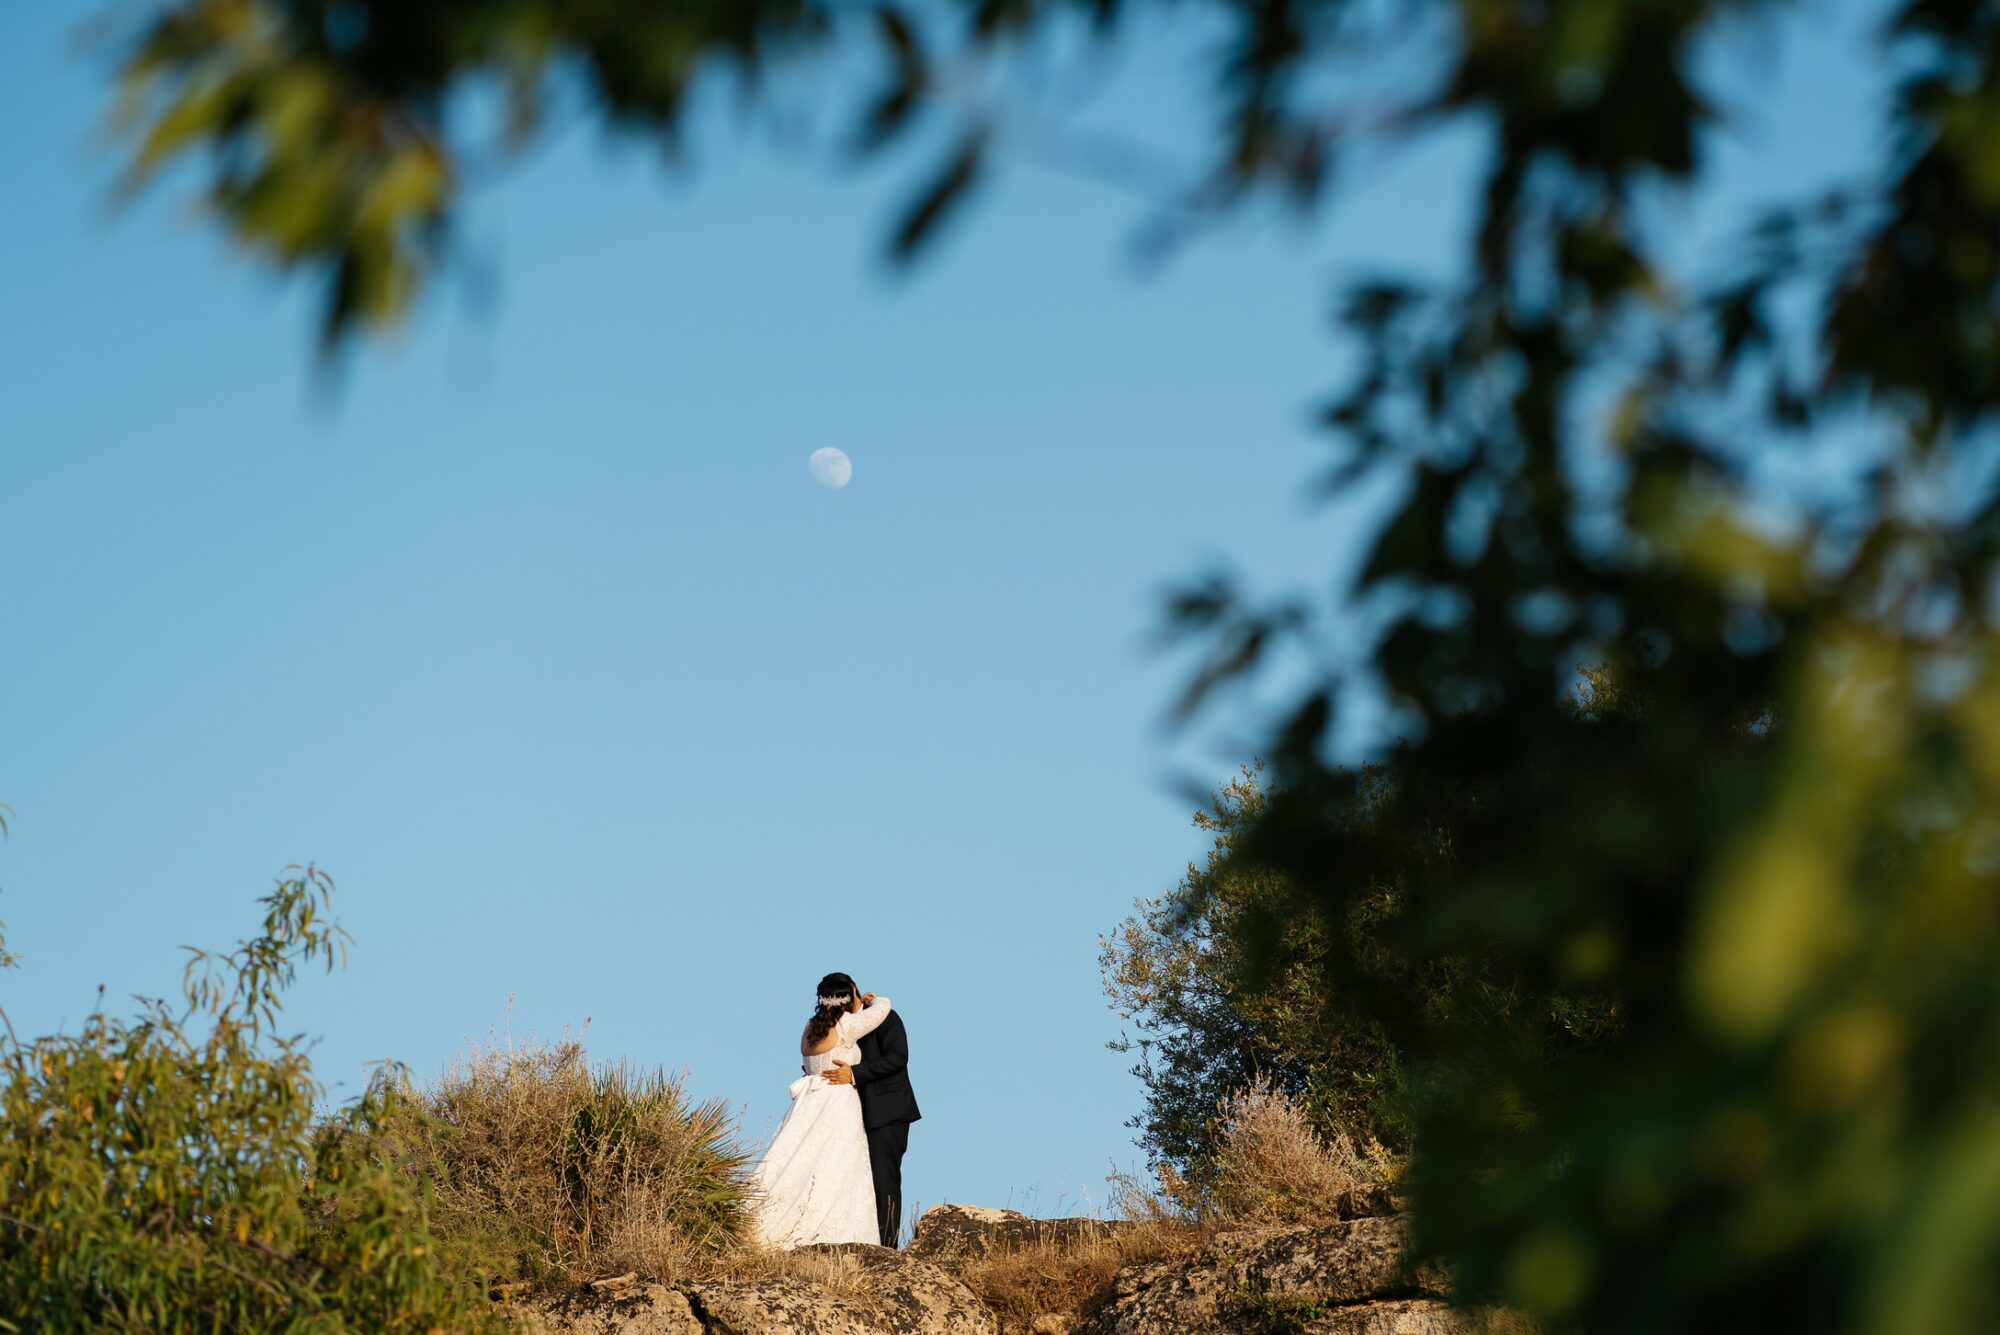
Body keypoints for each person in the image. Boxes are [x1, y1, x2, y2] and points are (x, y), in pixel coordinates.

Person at [748, 973, 894, 1247]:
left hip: (809, 1101)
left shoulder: (809, 1026)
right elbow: (884, 1008)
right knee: (838, 1164)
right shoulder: (847, 1025)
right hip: (837, 1100)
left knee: (801, 1158)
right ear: (850, 993)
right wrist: (871, 1000)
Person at [821, 973, 920, 1247]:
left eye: (842, 995)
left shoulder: (885, 1016)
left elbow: (898, 1058)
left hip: (887, 1112)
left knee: (883, 1181)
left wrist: (853, 1074)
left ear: (853, 989)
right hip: (849, 1114)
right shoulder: (837, 1024)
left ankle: (887, 1247)